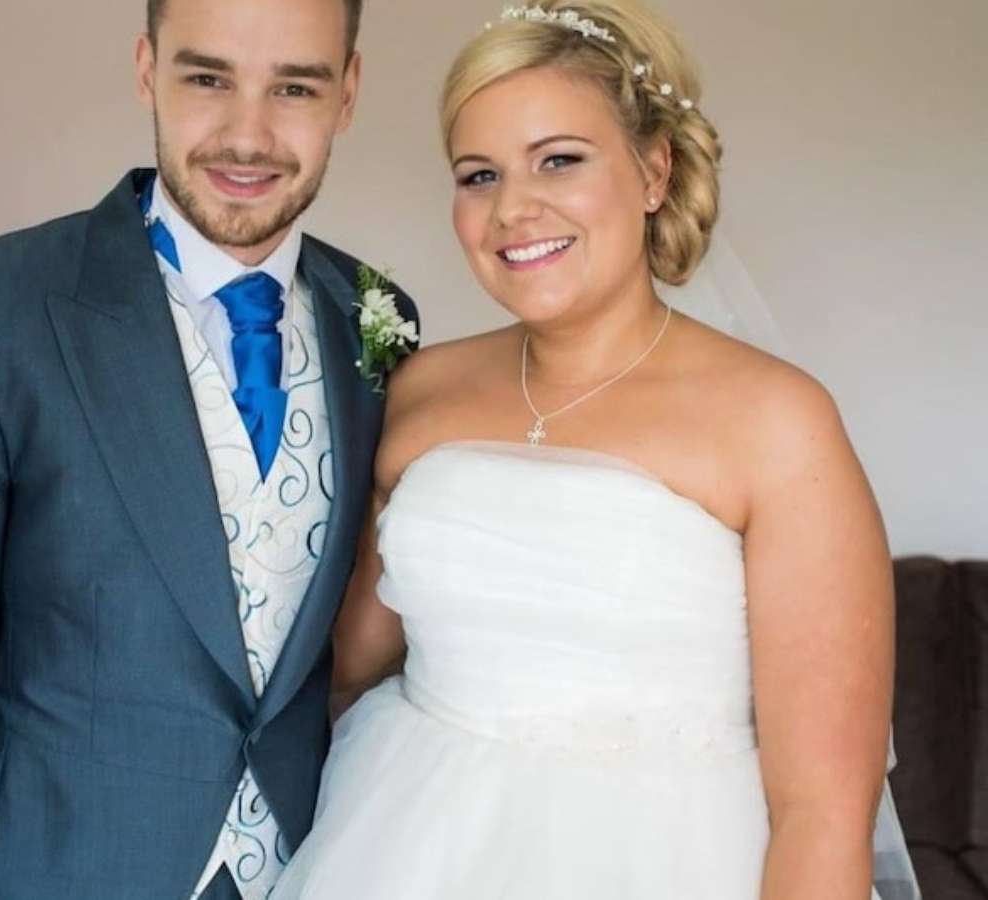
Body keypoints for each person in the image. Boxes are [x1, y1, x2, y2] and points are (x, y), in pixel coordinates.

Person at [273, 1, 919, 897]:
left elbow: (822, 815)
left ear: (653, 171)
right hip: (406, 841)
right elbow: (334, 669)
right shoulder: (422, 389)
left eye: (560, 160)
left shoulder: (778, 422)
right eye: (479, 175)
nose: (513, 209)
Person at [0, 1, 417, 898]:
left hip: (311, 868)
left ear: (346, 94)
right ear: (148, 69)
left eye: (295, 88)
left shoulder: (378, 318)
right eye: (208, 77)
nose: (248, 136)